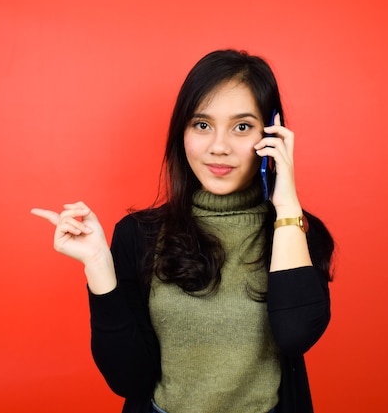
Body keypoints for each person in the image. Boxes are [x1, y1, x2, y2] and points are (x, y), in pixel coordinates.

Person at [31, 49, 335, 413]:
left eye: (241, 126)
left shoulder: (295, 231)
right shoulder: (138, 235)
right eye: (202, 125)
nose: (218, 147)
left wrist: (286, 207)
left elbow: (296, 333)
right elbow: (130, 379)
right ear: (183, 133)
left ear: (271, 133)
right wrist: (98, 264)